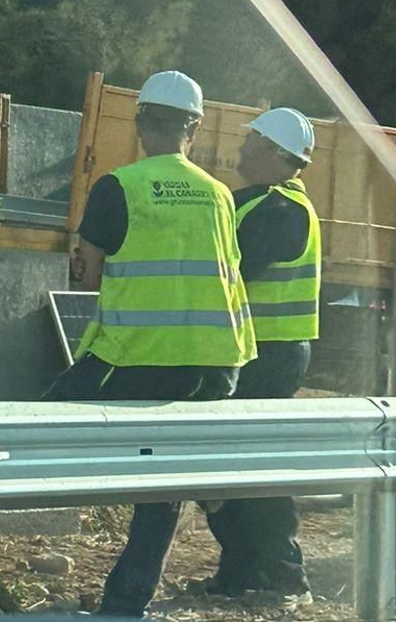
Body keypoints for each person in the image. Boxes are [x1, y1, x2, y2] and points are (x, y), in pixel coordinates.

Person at [49, 69, 254, 618]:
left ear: (141, 123)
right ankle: (126, 601)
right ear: (196, 127)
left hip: (135, 356)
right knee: (163, 484)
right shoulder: (220, 195)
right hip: (215, 364)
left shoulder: (120, 186)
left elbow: (85, 279)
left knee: (32, 426)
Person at [202, 107, 320, 600]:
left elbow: (229, 271)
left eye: (252, 140)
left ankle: (279, 574)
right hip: (258, 351)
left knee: (253, 469)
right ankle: (243, 576)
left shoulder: (281, 209)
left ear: (275, 152)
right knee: (236, 467)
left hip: (268, 356)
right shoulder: (261, 203)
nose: (242, 148)